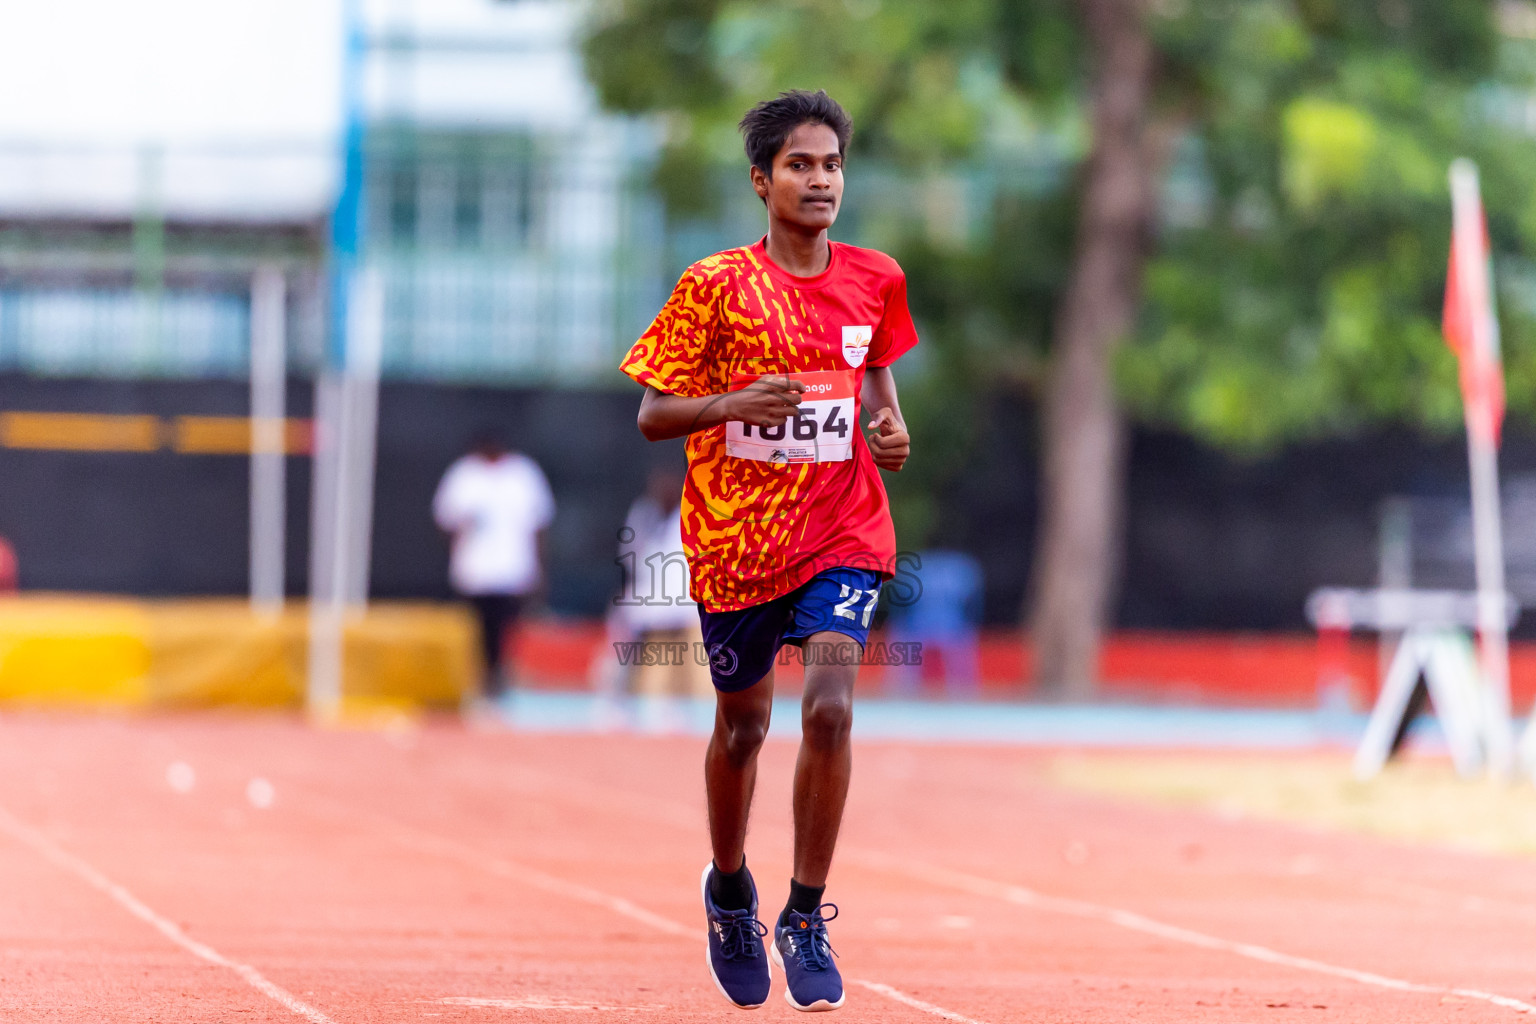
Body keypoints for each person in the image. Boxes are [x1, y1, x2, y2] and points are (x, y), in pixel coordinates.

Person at [620, 89, 916, 1012]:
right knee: (743, 727)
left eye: (831, 164)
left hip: (844, 529)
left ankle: (804, 910)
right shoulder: (715, 287)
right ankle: (731, 892)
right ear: (762, 181)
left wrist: (888, 422)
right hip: (737, 542)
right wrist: (728, 405)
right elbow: (651, 414)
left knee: (829, 710)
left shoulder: (875, 277)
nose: (820, 179)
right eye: (800, 164)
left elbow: (875, 373)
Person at [432, 428, 554, 706]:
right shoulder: (464, 474)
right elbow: (446, 521)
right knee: (478, 631)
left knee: (507, 630)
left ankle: (501, 683)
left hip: (513, 569)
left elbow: (539, 526)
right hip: (475, 570)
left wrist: (538, 568)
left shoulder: (523, 474)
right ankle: (480, 686)